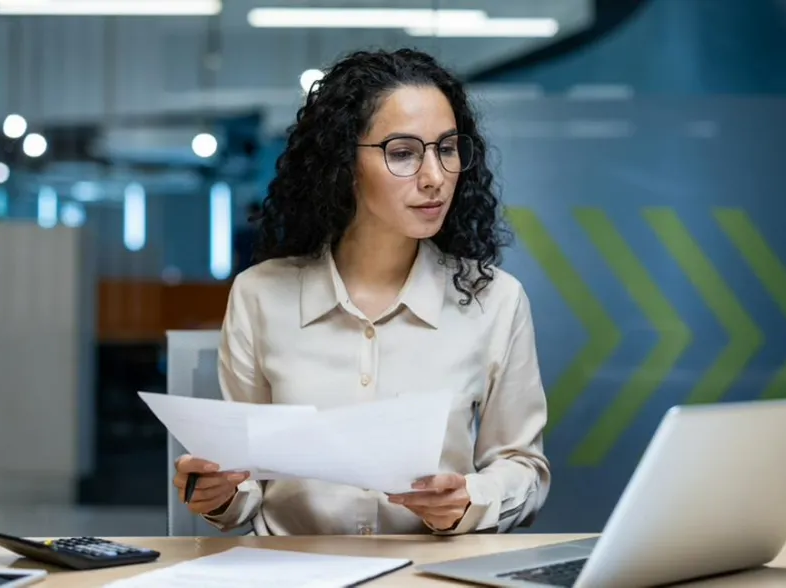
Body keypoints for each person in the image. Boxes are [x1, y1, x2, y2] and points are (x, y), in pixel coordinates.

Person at [172, 48, 551, 536]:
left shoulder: (494, 300)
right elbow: (246, 484)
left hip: (429, 573)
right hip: (293, 576)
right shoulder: (260, 295)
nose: (435, 176)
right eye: (403, 153)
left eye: (447, 148)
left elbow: (525, 468)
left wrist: (469, 501)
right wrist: (219, 493)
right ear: (343, 163)